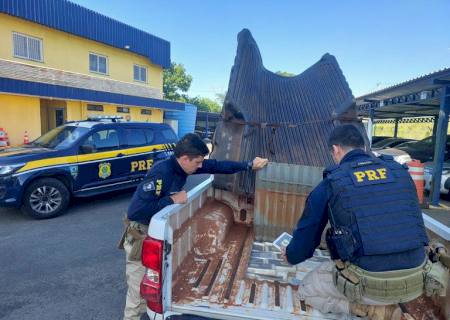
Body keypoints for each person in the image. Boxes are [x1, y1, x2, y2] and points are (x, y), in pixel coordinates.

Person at [284, 124, 434, 320]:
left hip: (370, 285)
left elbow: (306, 240)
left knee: (307, 290)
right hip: (416, 280)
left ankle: (375, 311)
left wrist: (290, 256)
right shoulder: (399, 172)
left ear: (336, 149)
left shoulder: (332, 183)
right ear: (364, 147)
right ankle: (388, 304)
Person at [120, 133, 268, 320]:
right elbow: (137, 211)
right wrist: (171, 200)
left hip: (154, 232)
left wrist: (248, 165)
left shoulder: (184, 167)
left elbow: (217, 165)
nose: (201, 166)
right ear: (184, 159)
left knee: (155, 286)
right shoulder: (162, 172)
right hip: (140, 235)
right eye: (198, 162)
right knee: (138, 290)